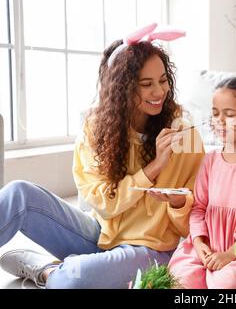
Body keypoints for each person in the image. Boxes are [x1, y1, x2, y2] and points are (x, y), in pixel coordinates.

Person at [0, 24, 205, 288]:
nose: (159, 92)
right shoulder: (96, 127)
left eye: (163, 80)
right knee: (19, 194)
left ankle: (48, 270)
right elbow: (103, 204)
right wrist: (152, 169)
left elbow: (189, 222)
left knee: (72, 281)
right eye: (147, 84)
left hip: (151, 248)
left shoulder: (183, 132)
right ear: (123, 88)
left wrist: (178, 202)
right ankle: (85, 265)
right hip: (101, 235)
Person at [168, 76, 236, 289]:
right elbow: (199, 207)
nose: (219, 120)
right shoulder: (209, 160)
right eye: (215, 113)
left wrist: (230, 254)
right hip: (207, 246)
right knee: (180, 279)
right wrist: (200, 243)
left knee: (225, 284)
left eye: (229, 115)